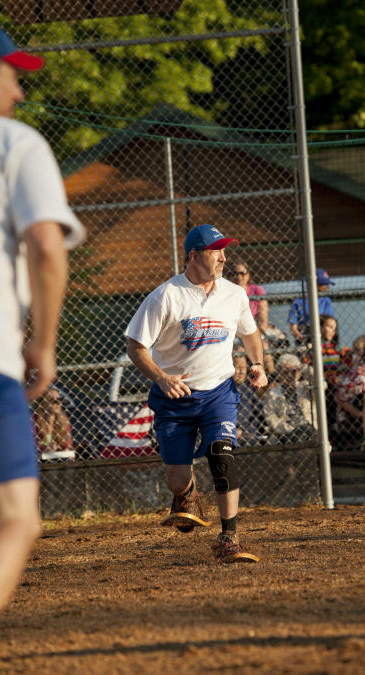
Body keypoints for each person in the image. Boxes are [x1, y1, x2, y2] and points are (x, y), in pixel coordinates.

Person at [0, 21, 85, 636]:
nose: (19, 92)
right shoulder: (14, 144)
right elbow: (47, 249)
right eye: (11, 75)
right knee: (15, 516)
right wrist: (41, 345)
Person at [125, 224, 268, 563]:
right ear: (193, 256)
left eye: (223, 249)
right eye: (215, 250)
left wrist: (258, 364)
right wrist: (161, 378)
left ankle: (228, 537)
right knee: (177, 478)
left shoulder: (233, 294)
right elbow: (135, 346)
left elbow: (250, 334)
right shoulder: (167, 296)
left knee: (222, 454)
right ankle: (187, 494)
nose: (223, 256)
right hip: (174, 397)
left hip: (219, 391)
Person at [261, 353, 316, 445]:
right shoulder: (272, 394)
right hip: (286, 434)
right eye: (286, 372)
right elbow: (271, 419)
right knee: (300, 433)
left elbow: (321, 384)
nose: (290, 375)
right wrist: (290, 429)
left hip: (310, 430)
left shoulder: (306, 388)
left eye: (294, 371)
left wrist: (303, 367)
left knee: (306, 430)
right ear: (279, 374)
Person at [288, 268, 335, 344]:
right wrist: (302, 338)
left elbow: (331, 324)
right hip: (304, 341)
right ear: (314, 285)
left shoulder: (326, 300)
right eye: (324, 286)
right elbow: (293, 328)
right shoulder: (297, 302)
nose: (326, 289)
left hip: (323, 340)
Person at [32, 387, 74, 461]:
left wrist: (66, 449)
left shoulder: (63, 420)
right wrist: (46, 446)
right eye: (54, 401)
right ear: (42, 404)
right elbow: (34, 446)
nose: (58, 403)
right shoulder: (34, 421)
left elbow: (68, 444)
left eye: (60, 400)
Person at [233, 353, 265, 444]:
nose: (241, 372)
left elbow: (258, 414)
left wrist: (243, 430)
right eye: (237, 367)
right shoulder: (222, 389)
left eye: (243, 368)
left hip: (247, 432)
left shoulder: (249, 389)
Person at [232, 260, 268, 333]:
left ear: (248, 275)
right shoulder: (228, 292)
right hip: (235, 328)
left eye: (242, 273)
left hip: (254, 325)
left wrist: (259, 331)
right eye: (235, 273)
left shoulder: (257, 290)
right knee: (240, 345)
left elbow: (263, 318)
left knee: (266, 344)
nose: (239, 277)